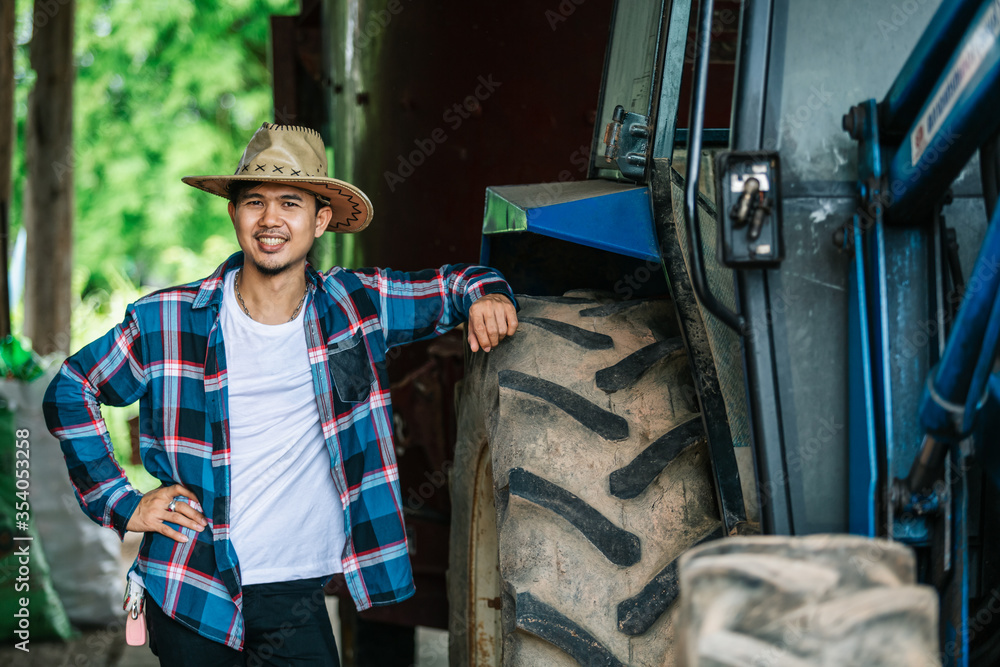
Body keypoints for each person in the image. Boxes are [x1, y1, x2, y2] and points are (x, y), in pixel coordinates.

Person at [43, 122, 519, 665]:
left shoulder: (355, 306)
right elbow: (71, 387)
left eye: (290, 203)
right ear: (234, 214)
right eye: (255, 203)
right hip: (192, 582)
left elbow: (457, 284)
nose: (271, 220)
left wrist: (488, 293)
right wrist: (122, 504)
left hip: (295, 590)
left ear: (319, 220)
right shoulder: (166, 320)